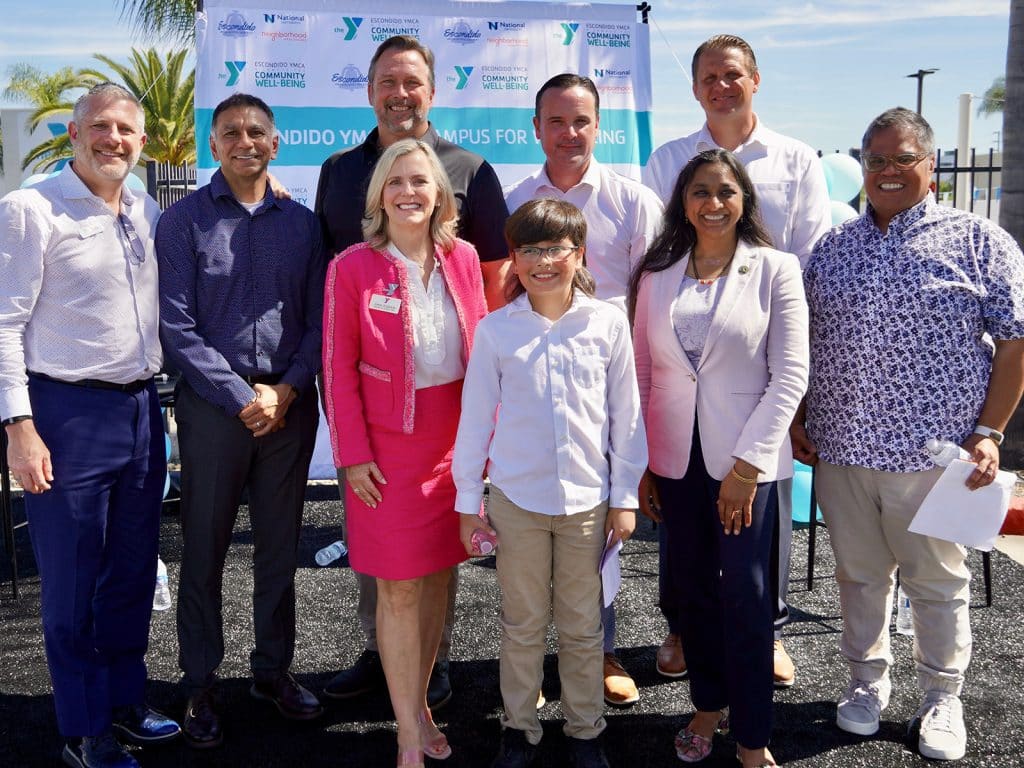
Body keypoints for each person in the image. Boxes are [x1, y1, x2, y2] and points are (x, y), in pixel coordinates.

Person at [793, 107, 1024, 762]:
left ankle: (941, 699)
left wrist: (991, 431)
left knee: (935, 581)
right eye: (876, 161)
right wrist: (802, 413)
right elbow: (807, 343)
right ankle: (866, 686)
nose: (888, 172)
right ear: (862, 167)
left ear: (931, 165)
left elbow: (1015, 343)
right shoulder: (832, 250)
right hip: (841, 451)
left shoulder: (980, 242)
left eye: (902, 159)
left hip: (935, 454)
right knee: (859, 578)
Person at [315, 34, 510, 709]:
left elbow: (492, 281)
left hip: (447, 413)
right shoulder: (339, 171)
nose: (400, 95)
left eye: (413, 84)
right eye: (387, 83)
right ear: (370, 92)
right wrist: (349, 434)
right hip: (374, 411)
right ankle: (381, 651)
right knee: (379, 549)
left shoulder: (473, 169)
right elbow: (331, 289)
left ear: (431, 91)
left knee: (439, 548)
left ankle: (438, 656)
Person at [0, 82, 180, 768]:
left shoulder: (145, 205)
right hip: (64, 415)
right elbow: (3, 324)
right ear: (74, 134)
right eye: (100, 127)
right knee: (73, 582)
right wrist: (18, 425)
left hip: (140, 410)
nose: (114, 140)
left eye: (126, 131)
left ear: (140, 140)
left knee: (133, 573)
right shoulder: (29, 209)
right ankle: (83, 728)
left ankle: (126, 702)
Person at [642, 34, 830, 686]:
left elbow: (809, 264)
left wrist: (798, 381)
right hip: (685, 358)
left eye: (733, 75)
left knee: (761, 510)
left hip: (765, 357)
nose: (722, 86)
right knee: (684, 507)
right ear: (695, 89)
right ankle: (681, 628)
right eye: (709, 78)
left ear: (755, 79)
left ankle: (765, 629)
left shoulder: (797, 160)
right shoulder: (668, 159)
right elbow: (657, 259)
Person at [157, 93, 325, 749]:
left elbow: (317, 322)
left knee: (280, 550)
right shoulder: (182, 223)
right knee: (203, 549)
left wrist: (283, 392)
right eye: (231, 132)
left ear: (275, 144)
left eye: (257, 131)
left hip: (288, 408)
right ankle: (200, 680)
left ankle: (272, 672)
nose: (244, 141)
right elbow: (177, 328)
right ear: (215, 144)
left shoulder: (303, 225)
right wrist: (240, 396)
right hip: (212, 411)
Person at [630, 149, 808, 768]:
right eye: (700, 192)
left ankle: (753, 738)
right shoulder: (657, 275)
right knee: (694, 593)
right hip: (677, 464)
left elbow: (790, 377)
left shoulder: (775, 269)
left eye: (725, 192)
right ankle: (707, 706)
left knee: (749, 597)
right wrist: (648, 463)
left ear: (744, 201)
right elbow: (646, 375)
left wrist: (746, 468)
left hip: (747, 469)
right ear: (683, 201)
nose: (713, 203)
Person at [454, 199, 647, 768]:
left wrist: (625, 497)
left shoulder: (607, 323)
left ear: (578, 253)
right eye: (530, 250)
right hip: (517, 501)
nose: (544, 261)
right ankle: (519, 728)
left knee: (583, 624)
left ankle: (585, 731)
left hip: (589, 502)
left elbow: (626, 417)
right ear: (513, 258)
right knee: (522, 622)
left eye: (556, 248)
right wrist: (470, 501)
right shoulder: (496, 331)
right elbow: (473, 421)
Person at [322, 138, 488, 767]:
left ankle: (418, 706)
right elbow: (336, 369)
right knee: (396, 589)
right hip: (385, 454)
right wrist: (353, 454)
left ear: (440, 194)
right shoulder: (353, 267)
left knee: (440, 575)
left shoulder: (465, 258)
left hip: (455, 444)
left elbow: (485, 355)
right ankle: (407, 733)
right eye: (396, 183)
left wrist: (486, 447)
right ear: (379, 196)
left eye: (421, 181)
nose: (409, 193)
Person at [504, 72, 662, 707]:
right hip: (532, 394)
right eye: (556, 121)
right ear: (536, 128)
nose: (569, 133)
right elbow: (502, 292)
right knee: (532, 534)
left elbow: (655, 303)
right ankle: (533, 664)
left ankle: (598, 653)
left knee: (599, 535)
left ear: (599, 127)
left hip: (607, 390)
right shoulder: (514, 200)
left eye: (582, 121)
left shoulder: (634, 202)